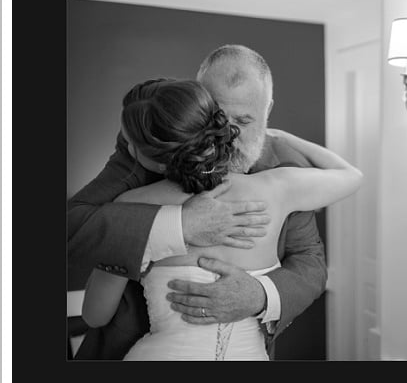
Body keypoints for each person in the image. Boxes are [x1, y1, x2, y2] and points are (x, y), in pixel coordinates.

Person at [68, 44, 328, 360]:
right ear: (197, 103)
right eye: (217, 117)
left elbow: (310, 261)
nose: (228, 135)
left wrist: (261, 295)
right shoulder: (148, 147)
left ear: (267, 109)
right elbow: (75, 222)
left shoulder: (285, 168)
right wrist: (180, 226)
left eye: (244, 120)